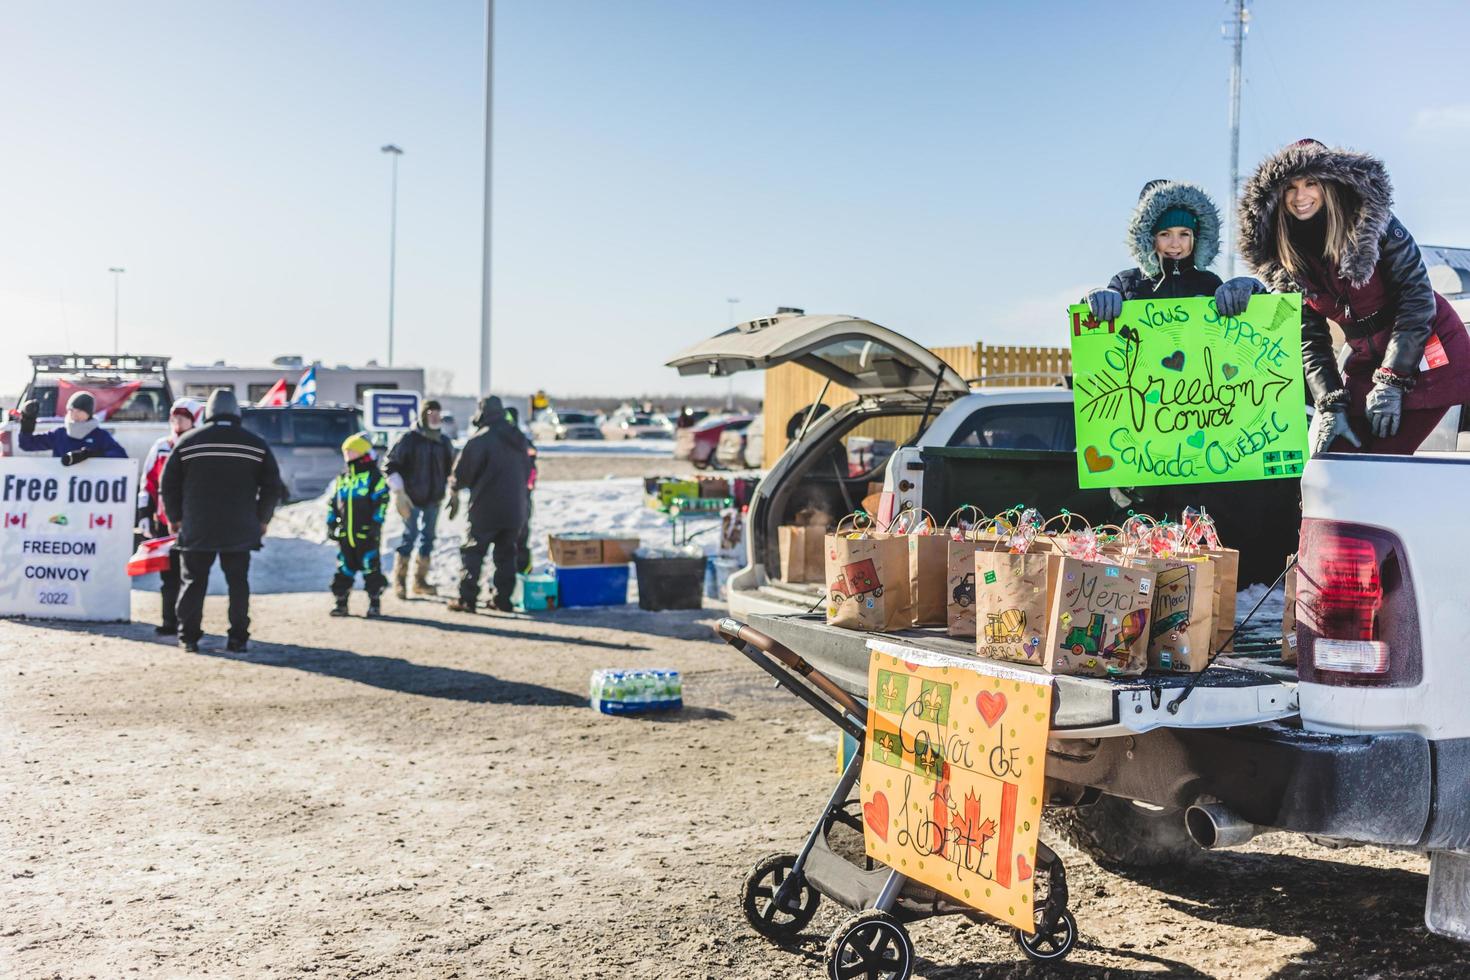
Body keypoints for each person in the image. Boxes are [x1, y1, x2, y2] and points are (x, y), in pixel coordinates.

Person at [1218, 139, 1470, 455]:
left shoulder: (1374, 224)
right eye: (1291, 187)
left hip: (1426, 350)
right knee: (1333, 454)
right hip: (1365, 360)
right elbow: (1310, 338)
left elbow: (1418, 299)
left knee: (1379, 462)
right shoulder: (1287, 256)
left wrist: (1393, 380)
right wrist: (1331, 402)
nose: (1301, 196)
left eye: (1311, 183)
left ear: (1330, 185)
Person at [160, 388, 285, 653]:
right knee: (238, 583)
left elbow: (167, 483)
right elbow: (273, 486)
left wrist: (175, 517)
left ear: (209, 412)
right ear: (236, 412)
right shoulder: (255, 443)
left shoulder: (188, 442)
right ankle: (238, 638)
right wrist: (262, 519)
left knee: (193, 581)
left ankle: (189, 638)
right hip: (240, 528)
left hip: (197, 526)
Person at [1084, 179, 1224, 321]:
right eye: (1164, 234)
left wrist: (1243, 294)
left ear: (1196, 237)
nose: (1175, 244)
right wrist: (1098, 298)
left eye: (1184, 234)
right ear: (1148, 238)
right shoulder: (1126, 283)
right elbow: (1094, 328)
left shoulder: (1210, 283)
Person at [446, 396, 532, 613]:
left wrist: (454, 488)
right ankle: (503, 599)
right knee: (506, 555)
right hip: (515, 509)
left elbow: (462, 474)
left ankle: (467, 598)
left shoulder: (480, 439)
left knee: (473, 553)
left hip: (485, 508)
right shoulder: (519, 438)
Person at [138, 397, 203, 635]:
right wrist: (145, 513)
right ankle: (169, 621)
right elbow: (148, 483)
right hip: (166, 523)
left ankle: (189, 623)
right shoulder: (161, 447)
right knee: (169, 577)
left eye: (183, 417)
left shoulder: (199, 445)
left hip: (193, 523)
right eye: (174, 417)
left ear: (194, 419)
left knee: (192, 576)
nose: (177, 422)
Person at [383, 399, 453, 599]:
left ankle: (419, 581)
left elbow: (451, 469)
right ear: (423, 415)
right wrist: (398, 492)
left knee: (428, 539)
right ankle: (400, 580)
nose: (435, 418)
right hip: (410, 498)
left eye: (438, 414)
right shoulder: (409, 439)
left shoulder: (444, 442)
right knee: (409, 536)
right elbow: (389, 464)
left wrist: (453, 490)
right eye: (431, 414)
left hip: (434, 499)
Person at [328, 432, 390, 618]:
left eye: (351, 451)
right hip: (346, 535)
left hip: (366, 534)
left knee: (371, 569)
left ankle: (374, 603)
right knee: (343, 569)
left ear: (361, 453)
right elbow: (333, 503)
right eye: (345, 452)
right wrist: (331, 524)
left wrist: (375, 524)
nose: (347, 455)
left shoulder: (373, 477)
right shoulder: (343, 479)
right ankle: (341, 603)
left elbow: (382, 501)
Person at [17, 390, 128, 464]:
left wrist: (91, 454)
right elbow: (27, 444)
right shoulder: (59, 433)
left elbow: (121, 457)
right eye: (71, 410)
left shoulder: (99, 435)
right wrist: (28, 420)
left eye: (79, 411)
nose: (74, 414)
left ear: (89, 413)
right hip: (62, 485)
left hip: (90, 489)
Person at [504, 405, 539, 575]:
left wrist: (528, 487)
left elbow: (532, 470)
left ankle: (523, 573)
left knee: (521, 538)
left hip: (521, 498)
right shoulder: (499, 441)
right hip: (504, 497)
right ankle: (506, 574)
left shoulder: (523, 442)